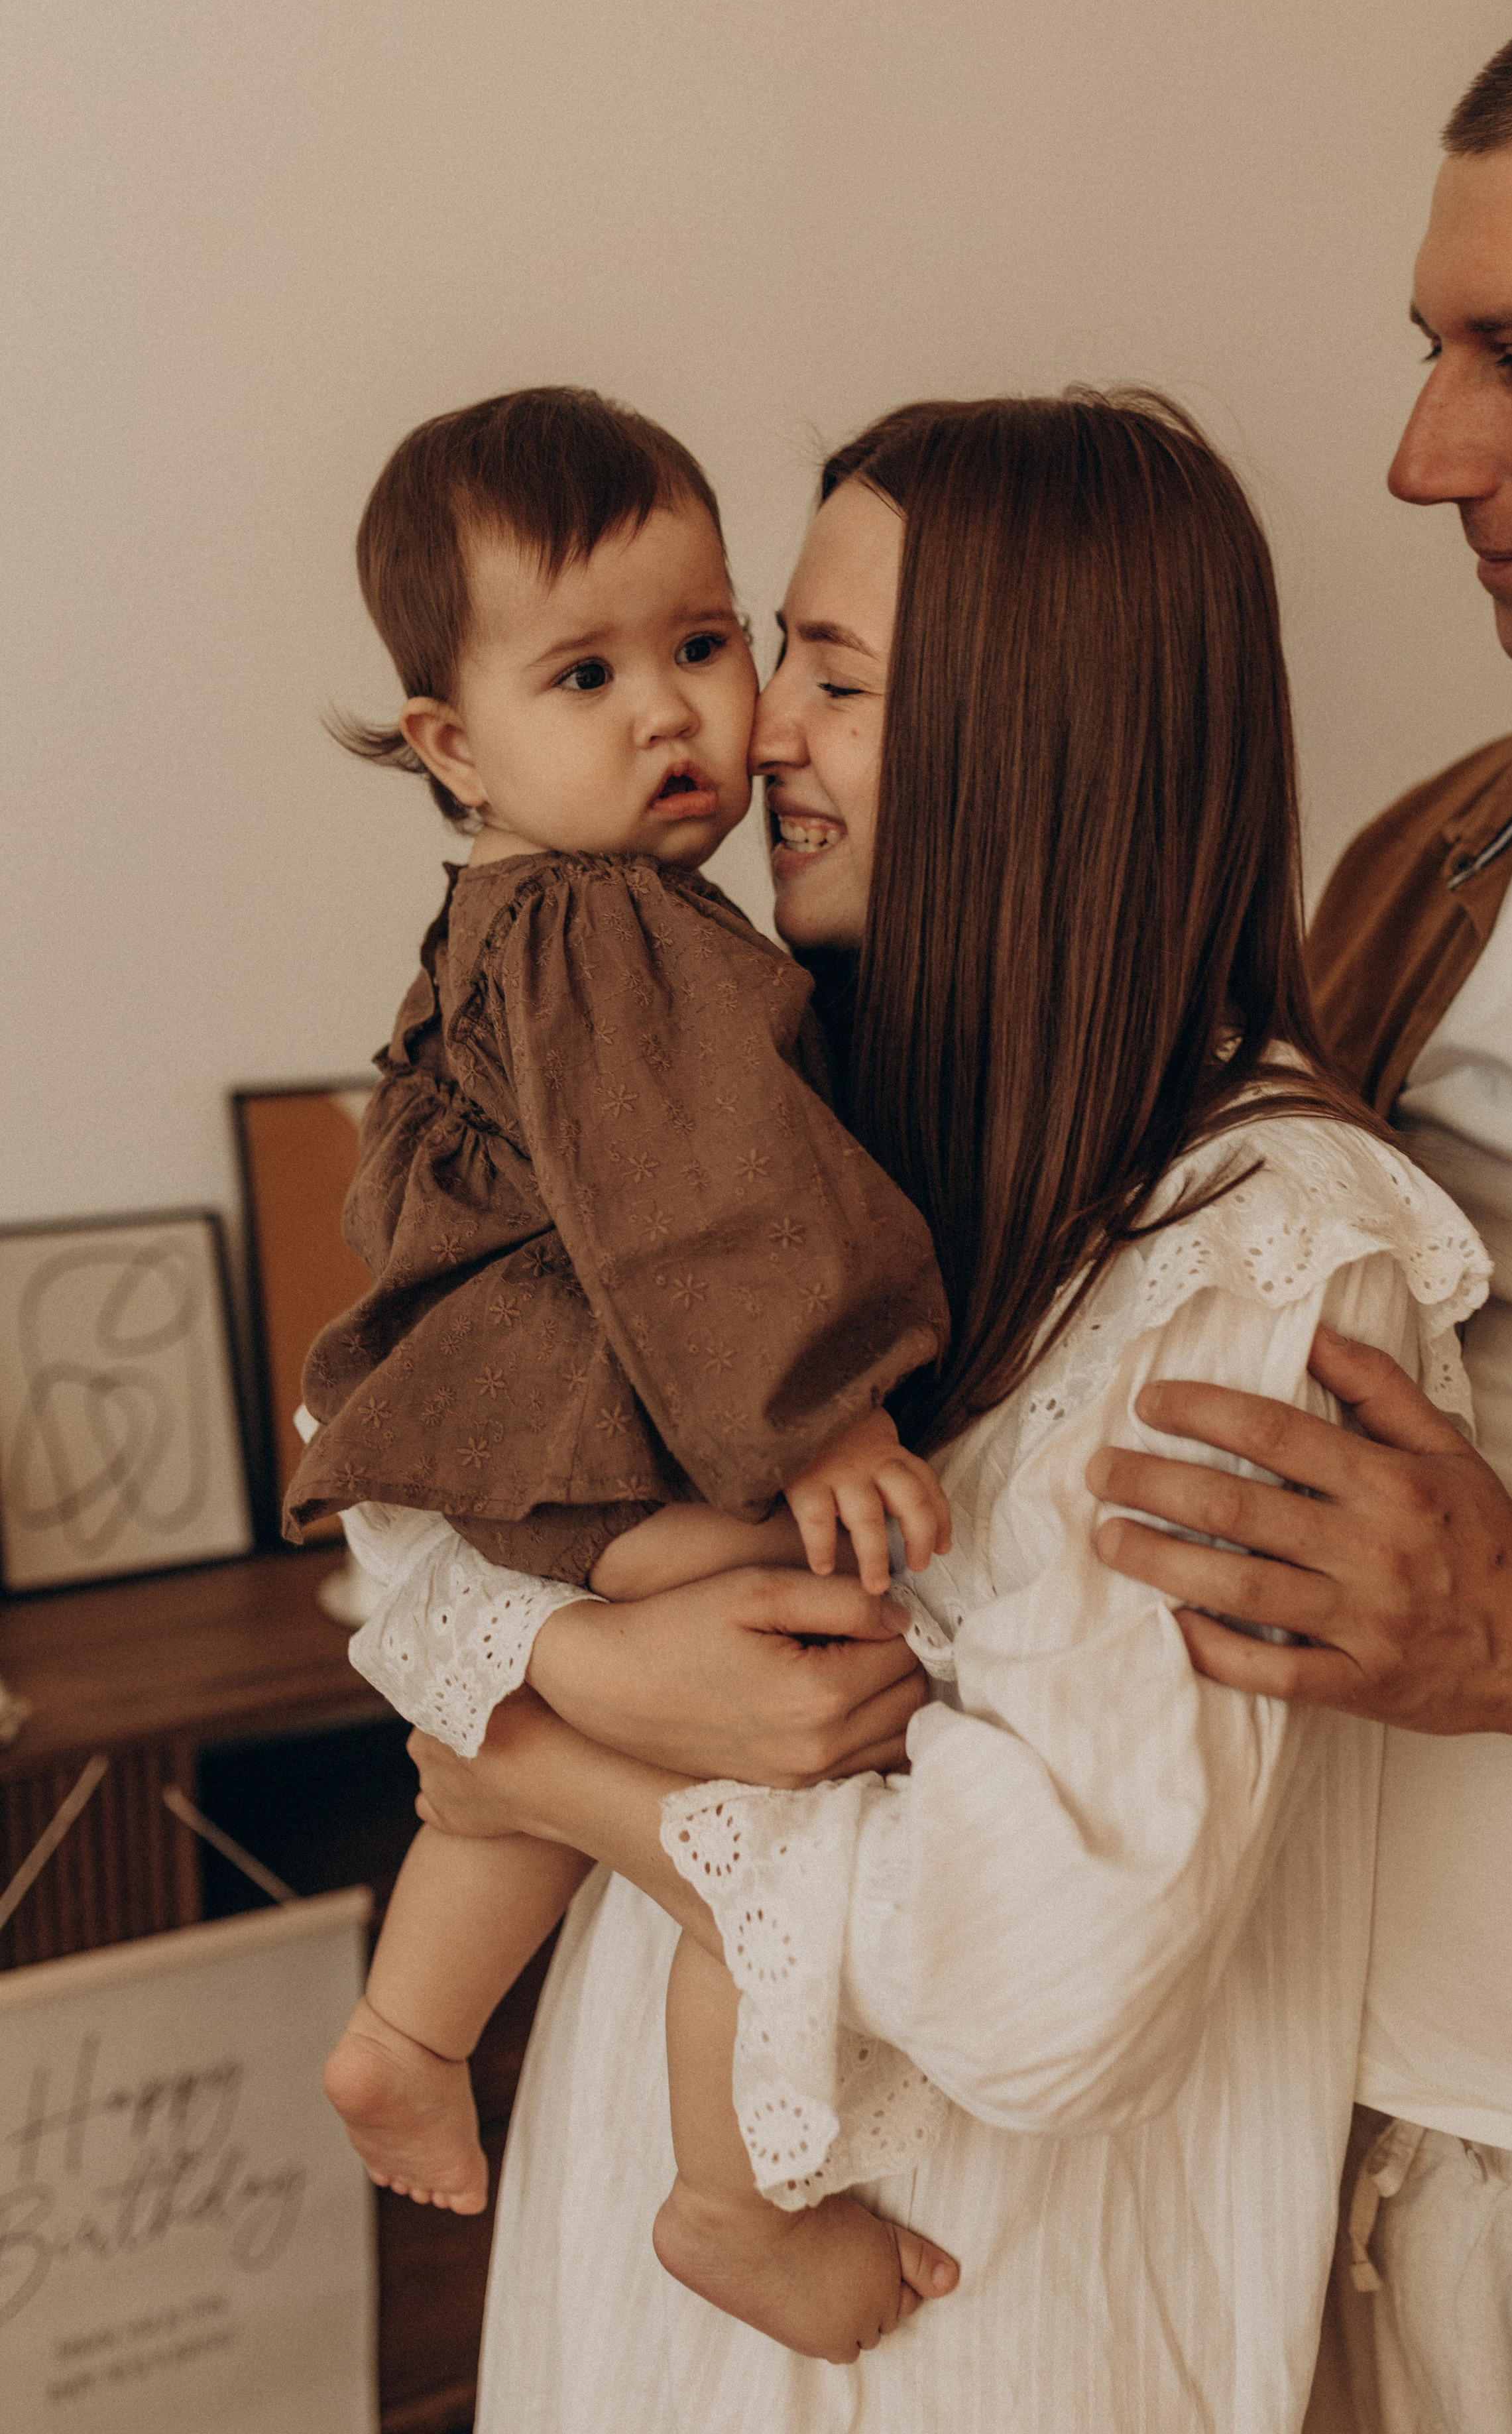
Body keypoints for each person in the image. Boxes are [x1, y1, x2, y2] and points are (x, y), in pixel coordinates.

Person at [379, 388, 1489, 2432]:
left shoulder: (1257, 1258)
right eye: (770, 650)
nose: (752, 732)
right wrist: (585, 1651)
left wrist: (563, 1765)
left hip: (982, 2333)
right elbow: (404, 1531)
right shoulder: (770, 1124)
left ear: (1035, 743)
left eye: (829, 673)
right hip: (636, 2277)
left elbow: (1041, 1976)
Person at [1084, 0, 1512, 2434]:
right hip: (1306, 2179)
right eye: (1434, 348)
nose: (1424, 458)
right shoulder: (1428, 857)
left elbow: (1491, 1617)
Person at [284, 384, 962, 2360]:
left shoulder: (513, 913)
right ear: (452, 741)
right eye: (586, 673)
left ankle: (409, 2033)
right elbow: (703, 1202)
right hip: (594, 1423)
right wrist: (823, 1403)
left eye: (703, 640)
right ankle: (735, 2198)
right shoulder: (612, 934)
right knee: (780, 1748)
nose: (676, 714)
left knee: (524, 1773)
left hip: (504, 1445)